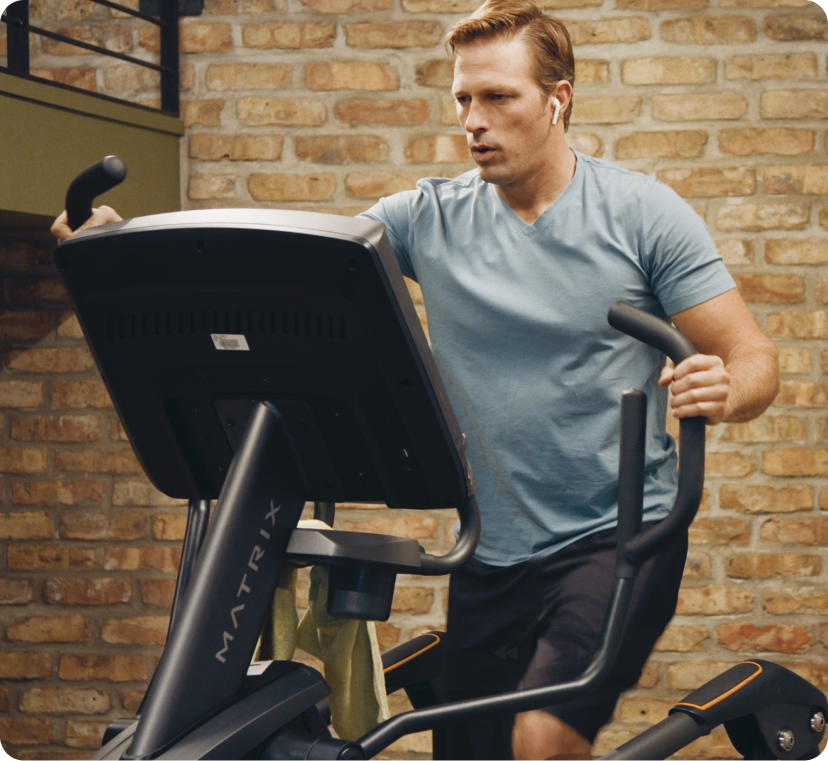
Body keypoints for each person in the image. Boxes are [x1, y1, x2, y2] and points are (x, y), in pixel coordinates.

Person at [52, 1, 779, 759]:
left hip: (621, 534)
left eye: (500, 97)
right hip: (490, 550)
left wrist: (724, 387)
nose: (474, 119)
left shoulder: (642, 215)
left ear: (558, 99)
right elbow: (278, 265)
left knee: (541, 736)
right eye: (464, 98)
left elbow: (754, 357)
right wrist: (121, 246)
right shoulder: (430, 216)